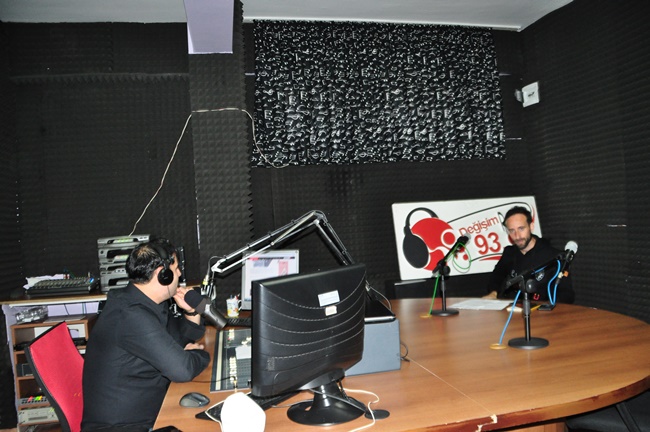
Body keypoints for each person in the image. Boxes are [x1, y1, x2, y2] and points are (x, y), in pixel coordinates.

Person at [82, 238, 210, 432]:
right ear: (162, 275)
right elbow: (182, 369)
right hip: (124, 428)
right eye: (176, 269)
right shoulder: (131, 316)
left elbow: (180, 340)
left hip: (145, 416)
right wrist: (201, 355)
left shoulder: (145, 303)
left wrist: (192, 311)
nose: (179, 274)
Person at [484, 206, 574, 303]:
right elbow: (496, 276)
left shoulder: (554, 256)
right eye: (512, 230)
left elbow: (566, 294)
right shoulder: (509, 253)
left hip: (542, 309)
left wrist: (546, 307)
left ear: (531, 226)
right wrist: (493, 293)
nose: (517, 236)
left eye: (521, 228)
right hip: (513, 307)